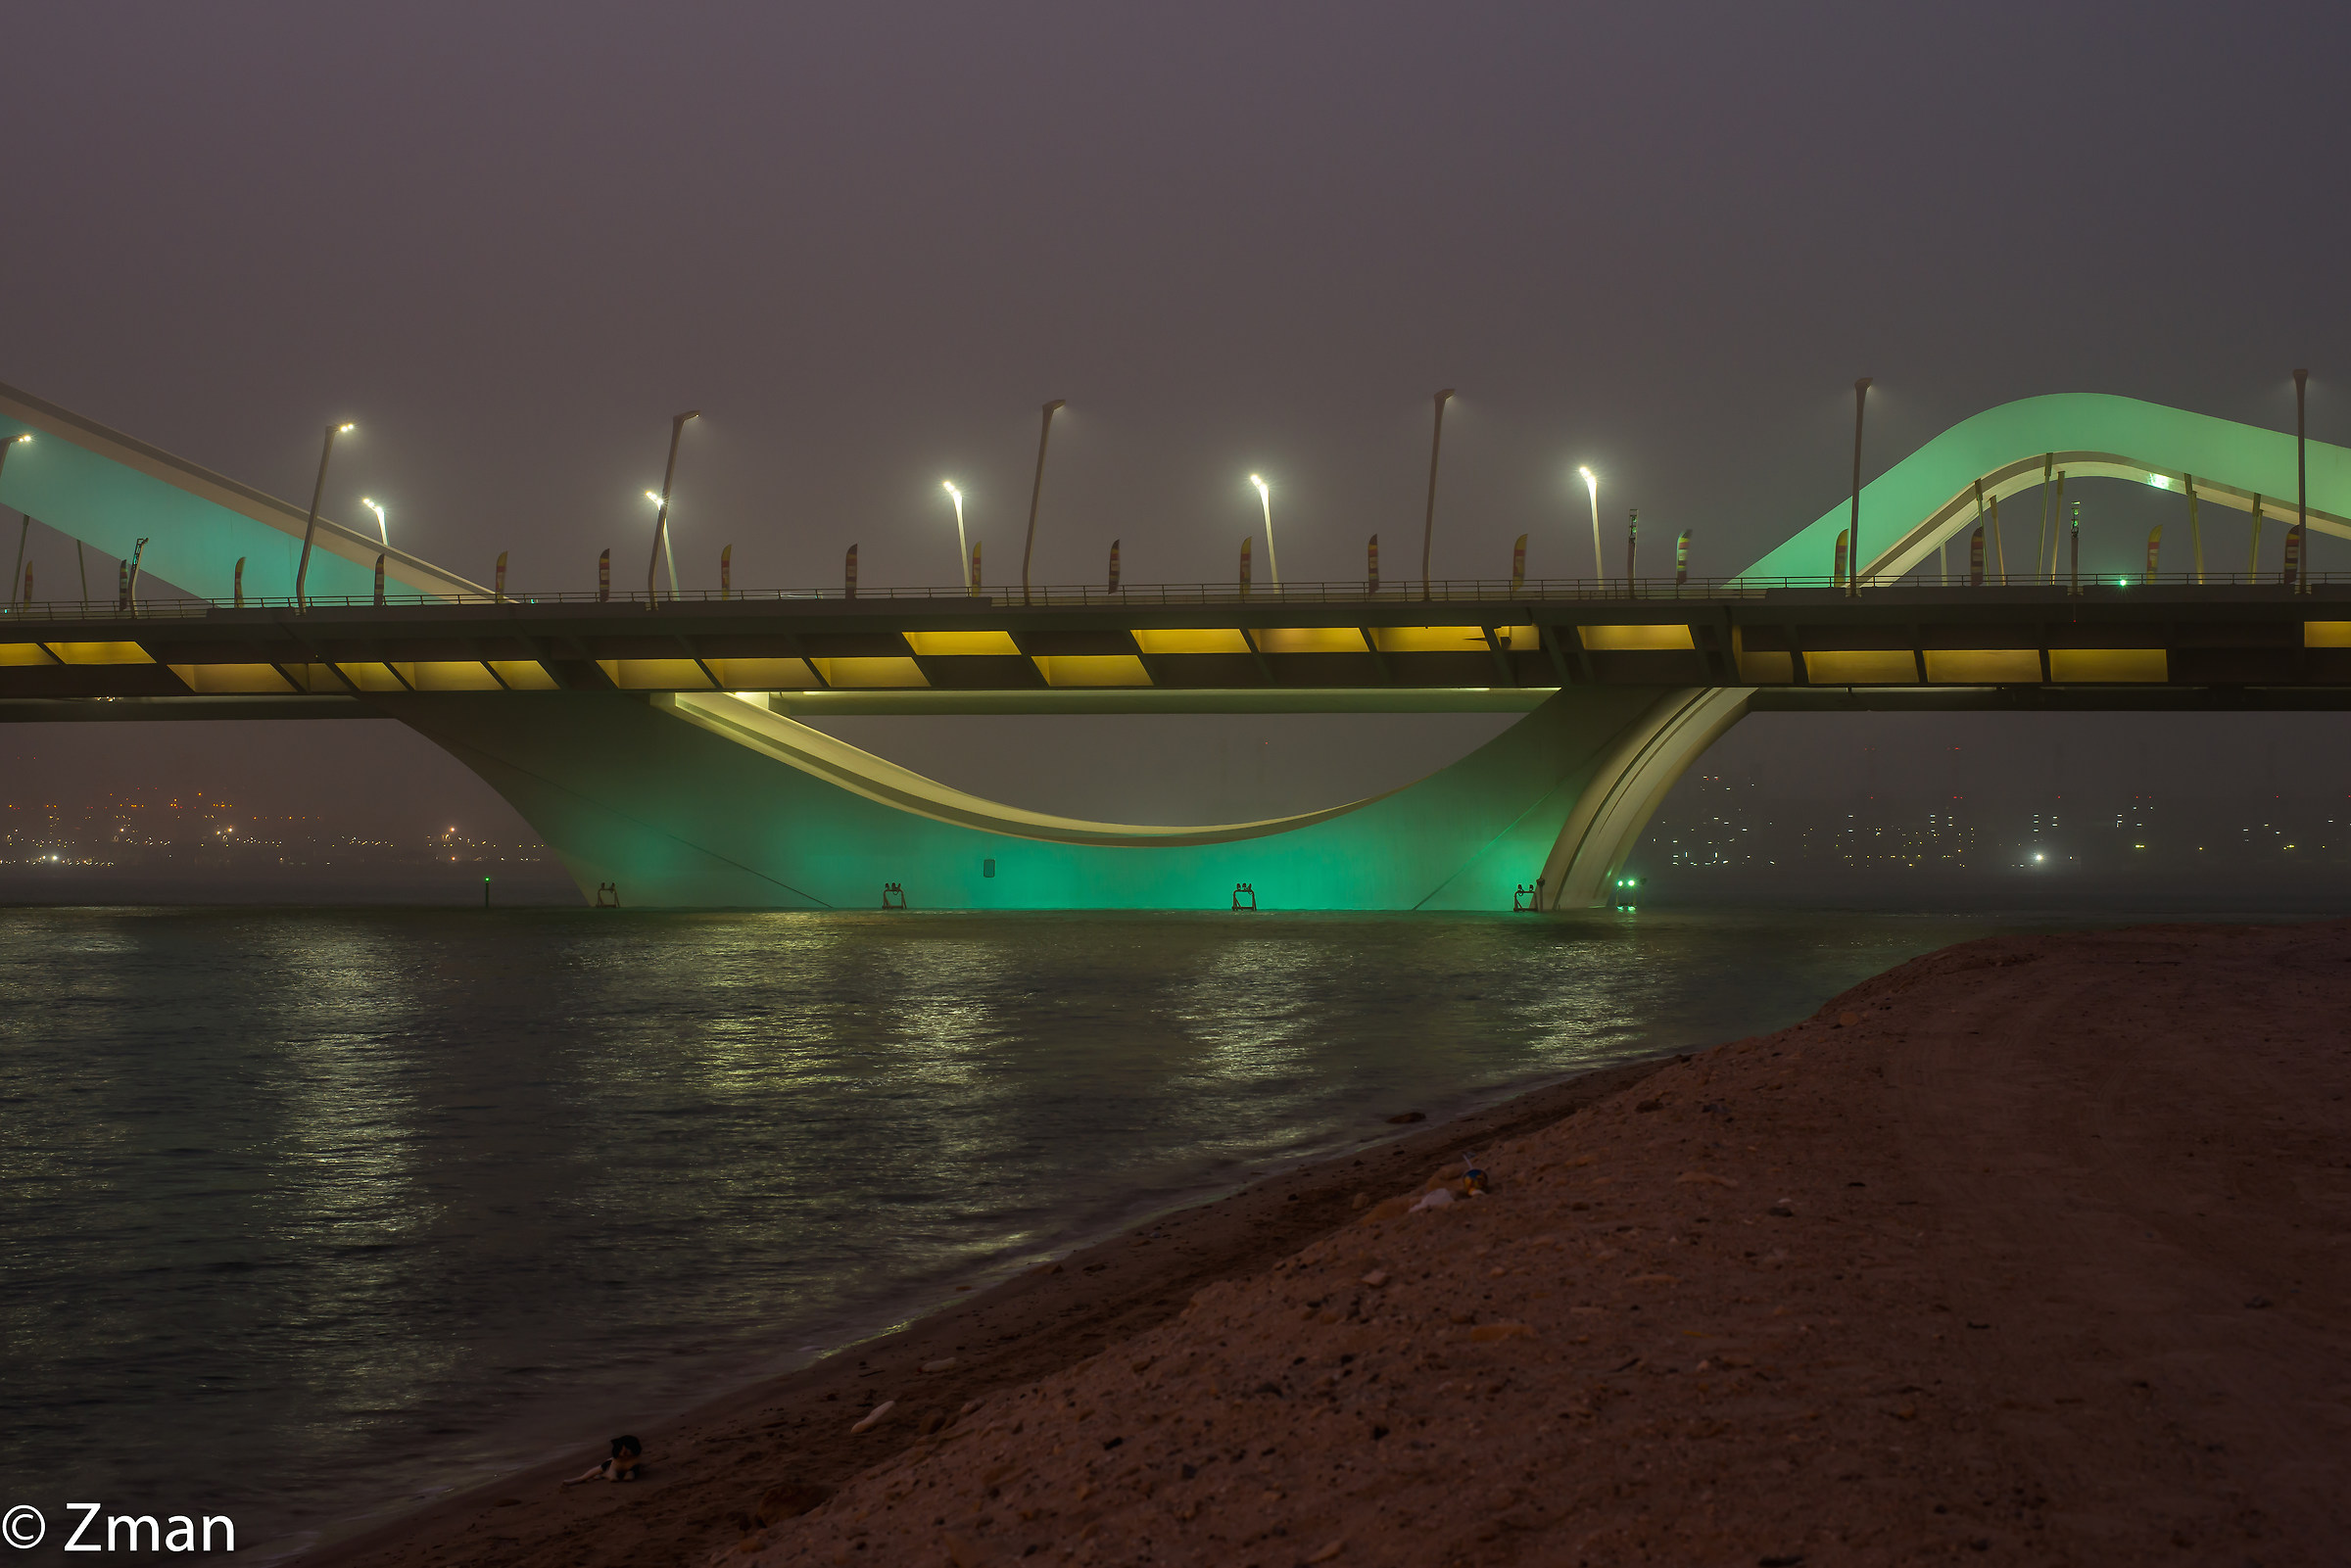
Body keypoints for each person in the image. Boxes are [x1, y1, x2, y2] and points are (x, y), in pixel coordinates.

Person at [561, 1435, 644, 1485]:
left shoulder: (635, 1459)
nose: (625, 1451)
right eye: (622, 1449)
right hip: (616, 1462)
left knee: (630, 1472)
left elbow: (635, 1469)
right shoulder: (616, 1459)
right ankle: (581, 1478)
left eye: (627, 1448)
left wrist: (629, 1475)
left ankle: (603, 1475)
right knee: (602, 1468)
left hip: (630, 1463)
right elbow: (613, 1469)